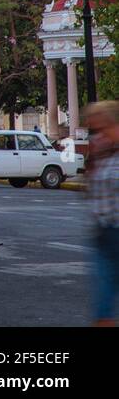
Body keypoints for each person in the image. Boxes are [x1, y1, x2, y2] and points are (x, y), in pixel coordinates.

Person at [84, 102, 119, 326]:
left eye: (102, 128)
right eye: (94, 130)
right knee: (103, 297)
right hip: (103, 231)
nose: (98, 134)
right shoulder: (101, 152)